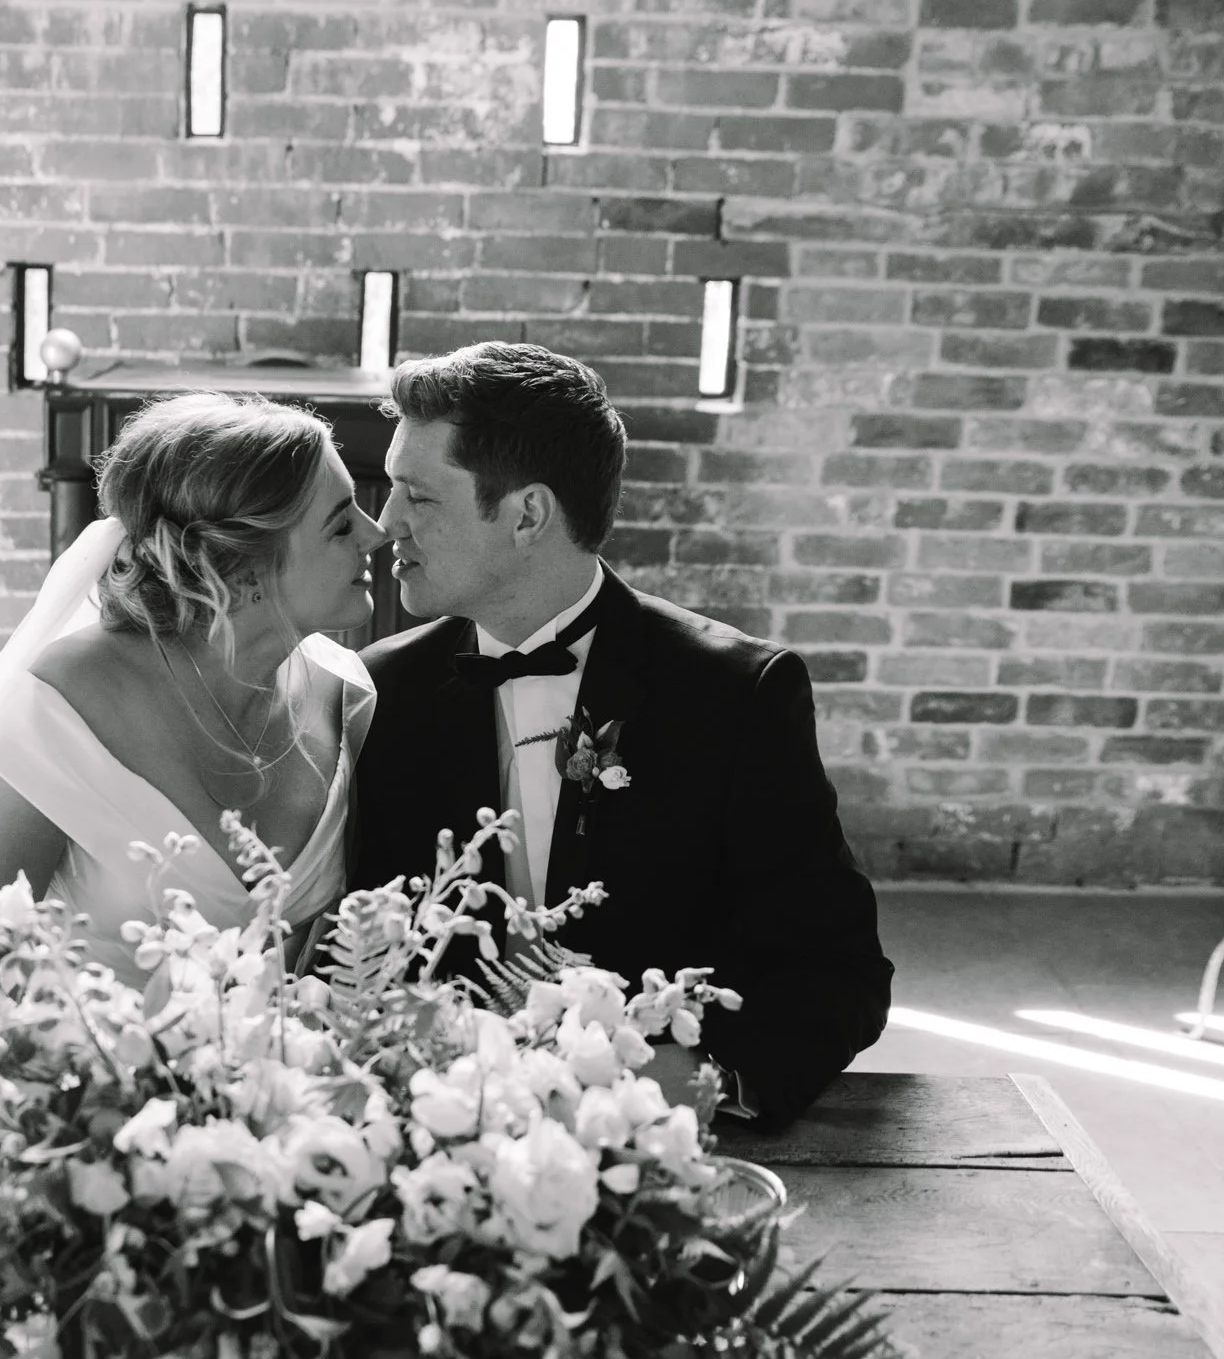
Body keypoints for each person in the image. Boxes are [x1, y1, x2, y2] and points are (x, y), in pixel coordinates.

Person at [352, 342, 891, 1128]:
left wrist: (683, 1082)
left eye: (419, 496)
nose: (385, 523)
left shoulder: (738, 695)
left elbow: (837, 974)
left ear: (528, 514)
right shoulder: (381, 691)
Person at [0, 392, 387, 1051]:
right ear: (241, 566)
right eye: (341, 525)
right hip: (84, 1085)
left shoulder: (344, 696)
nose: (377, 532)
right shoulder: (58, 708)